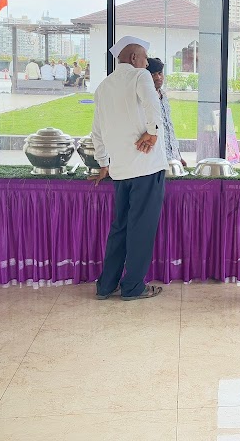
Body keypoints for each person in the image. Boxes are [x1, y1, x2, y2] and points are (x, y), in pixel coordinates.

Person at [90, 35, 166, 301]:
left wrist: (103, 163)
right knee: (141, 229)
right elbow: (152, 105)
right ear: (134, 58)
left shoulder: (103, 87)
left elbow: (96, 131)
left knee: (120, 228)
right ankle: (133, 286)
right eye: (144, 58)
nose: (147, 64)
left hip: (120, 171)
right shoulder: (139, 76)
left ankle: (106, 285)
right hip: (146, 167)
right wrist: (153, 132)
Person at [146, 57, 187, 167]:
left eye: (160, 73)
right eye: (153, 74)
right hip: (155, 159)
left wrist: (178, 156)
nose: (158, 77)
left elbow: (169, 127)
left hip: (172, 157)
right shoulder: (145, 98)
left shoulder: (163, 94)